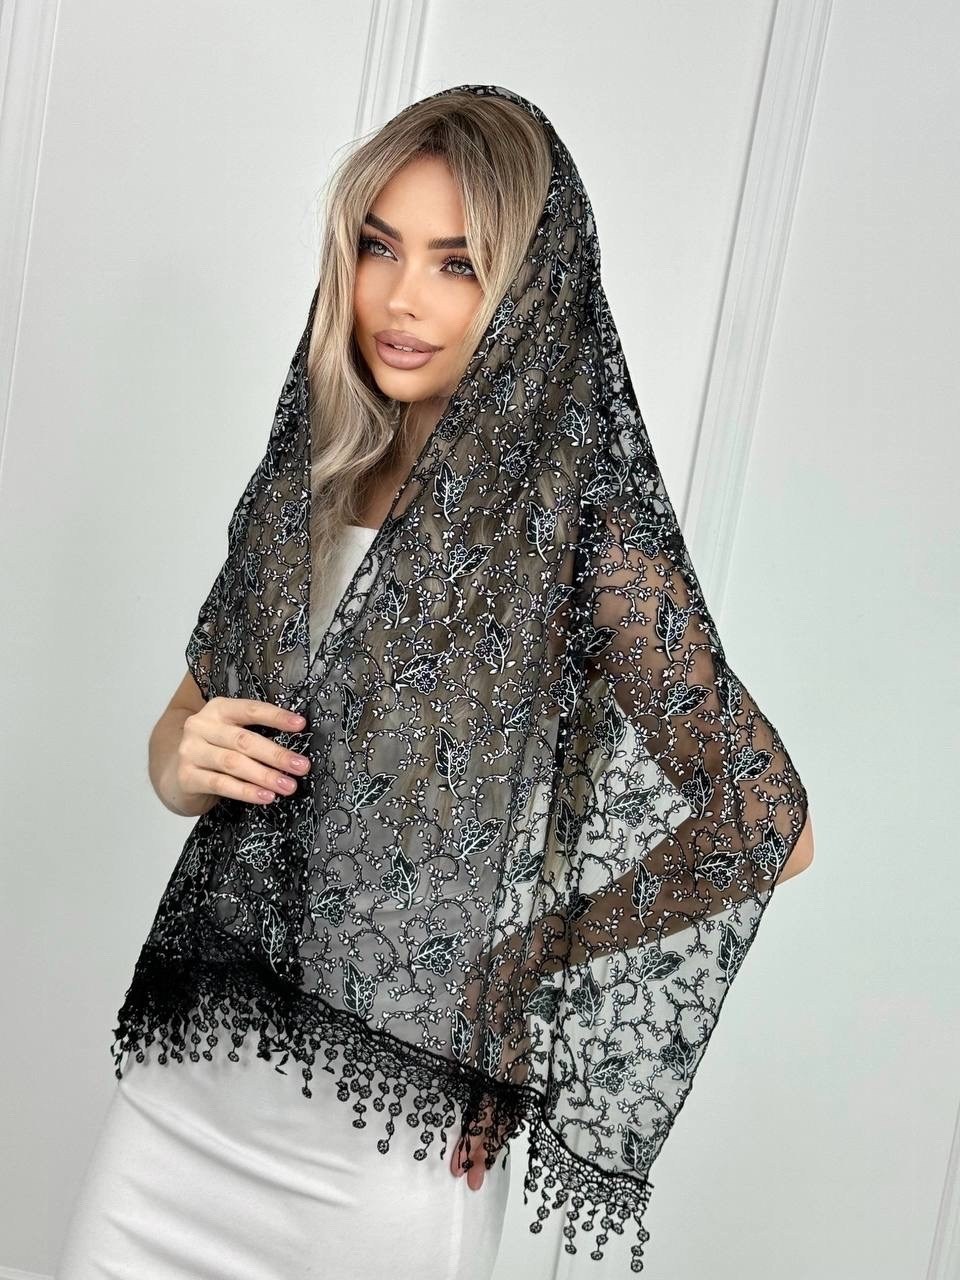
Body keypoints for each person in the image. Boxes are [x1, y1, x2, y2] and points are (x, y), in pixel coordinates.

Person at [56, 84, 812, 1279]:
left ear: (527, 287)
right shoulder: (312, 479)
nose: (402, 298)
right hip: (183, 1100)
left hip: (383, 1152)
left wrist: (519, 966)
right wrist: (185, 763)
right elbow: (179, 733)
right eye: (380, 247)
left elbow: (767, 820)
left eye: (457, 264)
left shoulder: (580, 541)